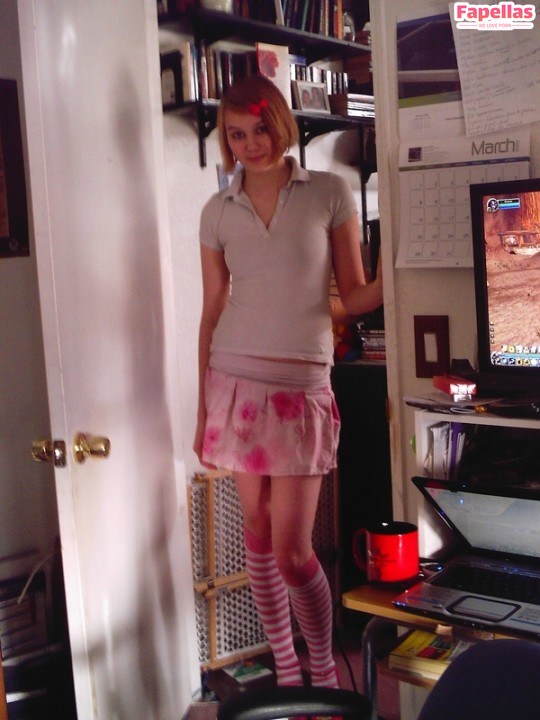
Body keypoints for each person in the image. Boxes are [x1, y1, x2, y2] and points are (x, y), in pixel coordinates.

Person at [193, 74, 383, 691]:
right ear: (226, 140)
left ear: (281, 123)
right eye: (235, 134)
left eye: (259, 128)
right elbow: (212, 308)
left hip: (302, 388)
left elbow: (354, 295)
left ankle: (322, 670)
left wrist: (398, 270)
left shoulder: (328, 192)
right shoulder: (217, 211)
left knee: (293, 552)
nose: (250, 144)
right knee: (256, 532)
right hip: (234, 381)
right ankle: (285, 667)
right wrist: (203, 411)